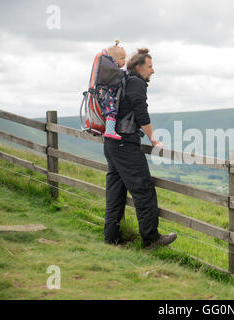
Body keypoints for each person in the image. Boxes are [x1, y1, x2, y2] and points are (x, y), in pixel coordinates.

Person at [103, 48, 177, 248]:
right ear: (138, 67)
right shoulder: (136, 82)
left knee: (116, 190)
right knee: (144, 189)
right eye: (150, 67)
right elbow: (140, 110)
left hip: (111, 143)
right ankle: (151, 239)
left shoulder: (125, 80)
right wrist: (153, 138)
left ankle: (112, 237)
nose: (153, 71)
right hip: (125, 143)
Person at [102, 40, 127, 140]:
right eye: (122, 58)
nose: (124, 61)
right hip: (106, 94)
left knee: (110, 109)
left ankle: (109, 129)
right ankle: (109, 130)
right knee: (111, 110)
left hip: (104, 93)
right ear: (114, 59)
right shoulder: (113, 69)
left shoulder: (108, 67)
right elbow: (121, 74)